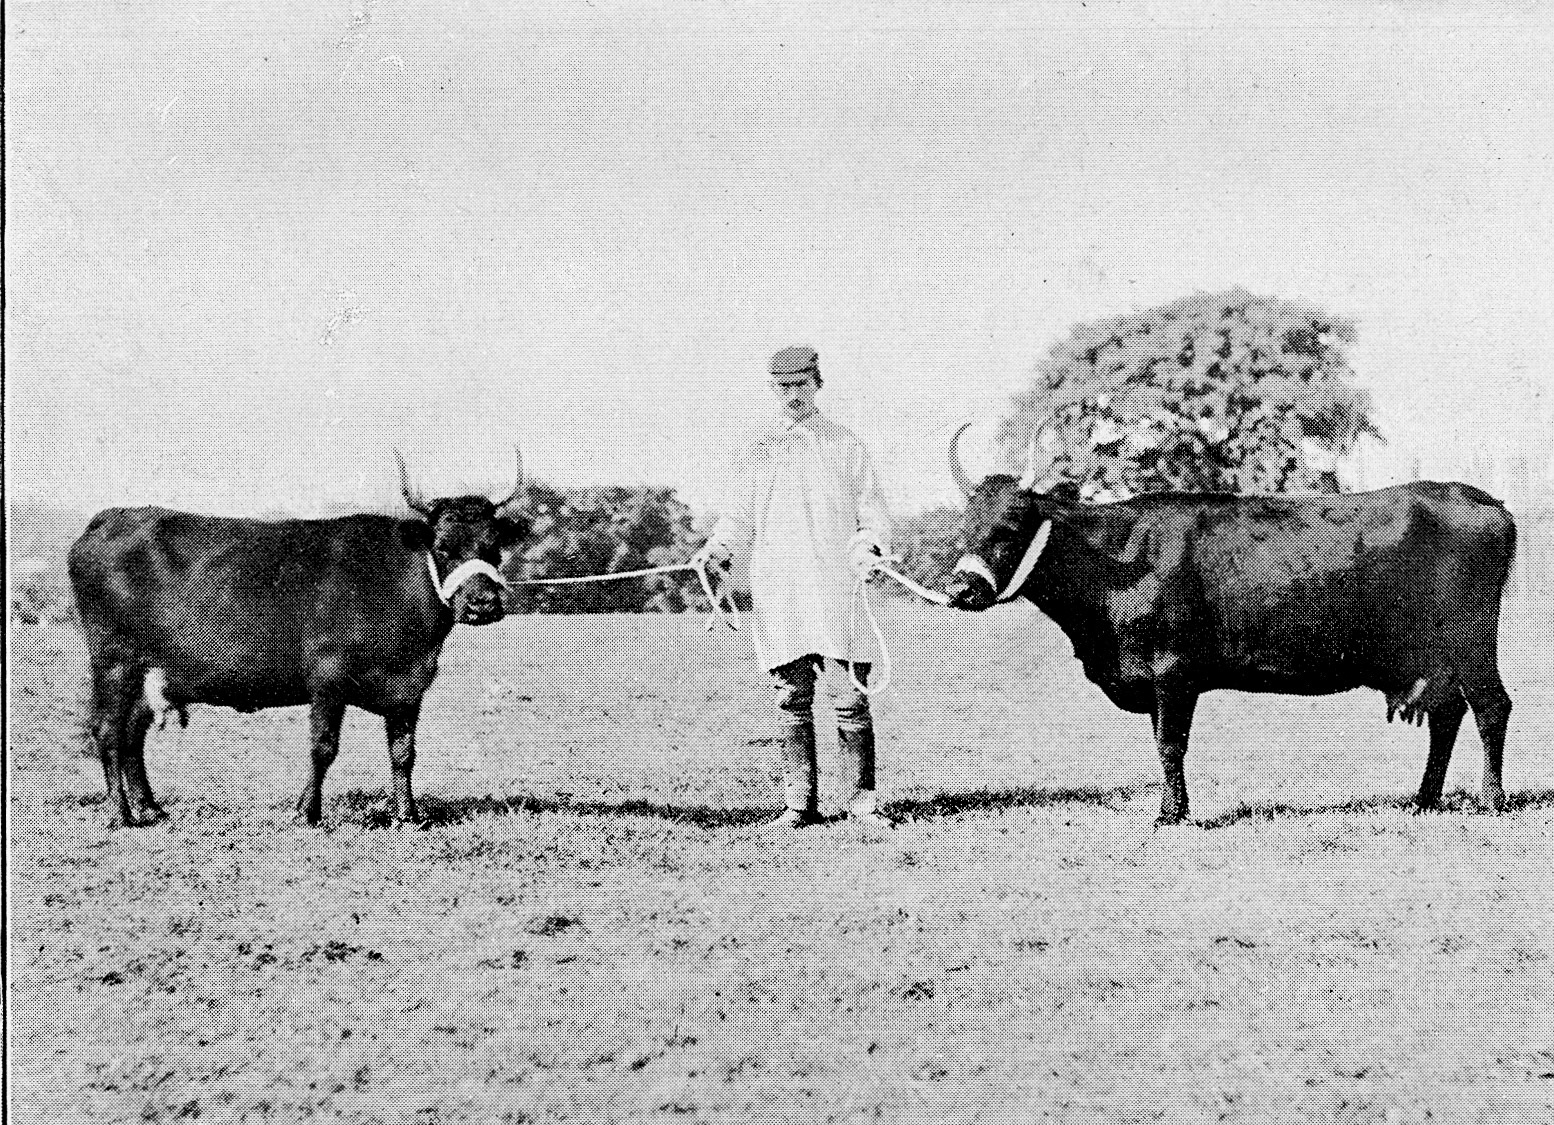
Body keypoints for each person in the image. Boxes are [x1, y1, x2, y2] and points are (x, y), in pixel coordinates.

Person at [696, 345, 896, 829]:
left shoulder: (847, 445)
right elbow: (737, 517)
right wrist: (716, 549)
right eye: (783, 387)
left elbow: (872, 516)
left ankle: (861, 805)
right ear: (772, 390)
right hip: (778, 590)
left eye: (801, 385)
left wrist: (868, 547)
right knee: (792, 701)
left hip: (837, 589)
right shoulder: (756, 448)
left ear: (818, 384)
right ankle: (798, 807)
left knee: (849, 700)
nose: (792, 396)